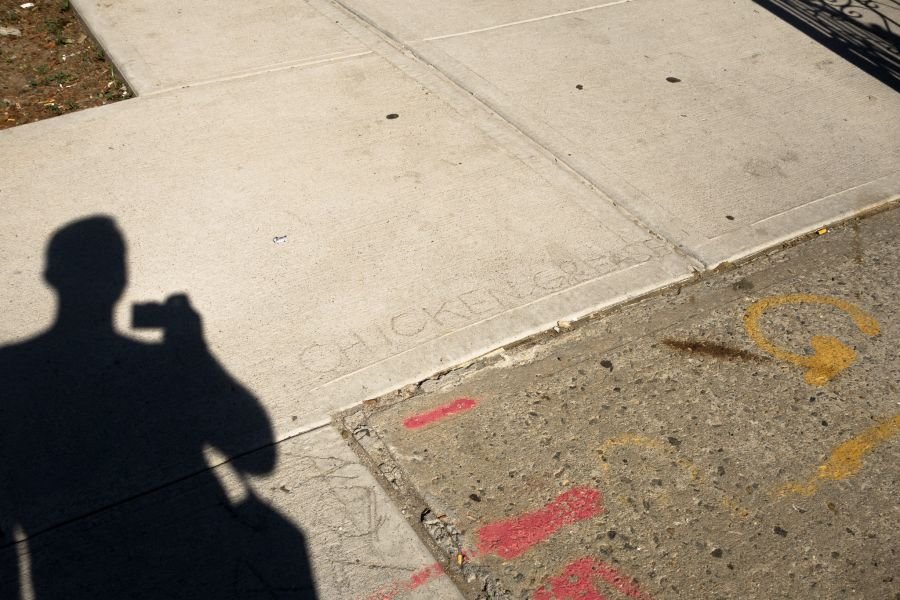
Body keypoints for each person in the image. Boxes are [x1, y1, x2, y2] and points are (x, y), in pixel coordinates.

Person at [0, 216, 316, 599]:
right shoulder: (161, 365)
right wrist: (196, 354)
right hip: (192, 562)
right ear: (121, 279)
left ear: (50, 276)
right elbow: (260, 460)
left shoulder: (9, 370)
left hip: (68, 575)